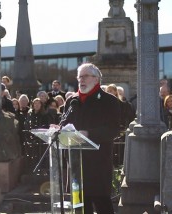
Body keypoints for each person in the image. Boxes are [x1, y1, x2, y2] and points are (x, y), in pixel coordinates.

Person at [61, 63, 121, 213]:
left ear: (96, 79)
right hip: (76, 165)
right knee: (79, 208)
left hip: (98, 164)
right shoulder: (72, 101)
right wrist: (59, 129)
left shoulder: (109, 101)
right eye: (79, 76)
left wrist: (89, 134)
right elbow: (65, 123)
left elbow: (114, 129)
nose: (81, 79)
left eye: (85, 76)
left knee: (103, 206)